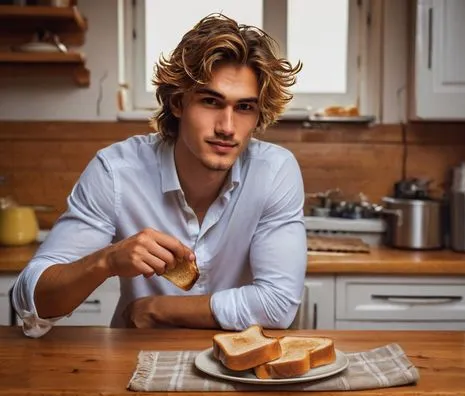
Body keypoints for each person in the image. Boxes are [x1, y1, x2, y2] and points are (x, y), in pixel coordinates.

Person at [12, 13, 307, 338]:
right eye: (211, 101)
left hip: (238, 366)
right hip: (135, 363)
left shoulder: (275, 171)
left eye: (244, 108)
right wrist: (106, 261)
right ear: (178, 102)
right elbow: (32, 300)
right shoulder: (116, 171)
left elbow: (278, 304)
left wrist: (152, 310)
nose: (227, 127)